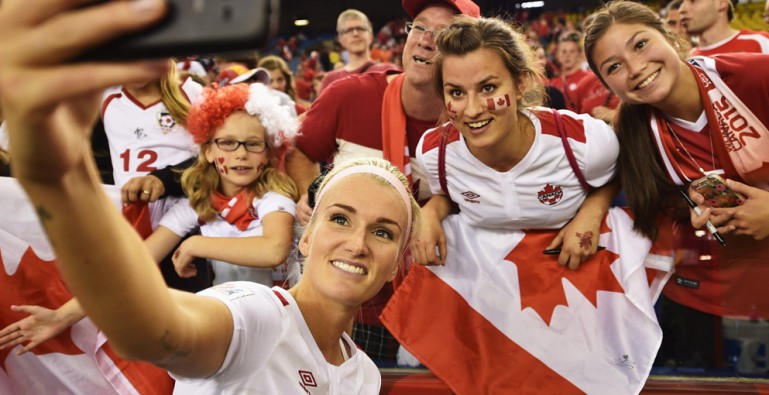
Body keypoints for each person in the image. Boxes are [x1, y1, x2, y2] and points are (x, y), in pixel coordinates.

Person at [0, 5, 422, 394]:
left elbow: (273, 247)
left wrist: (196, 244)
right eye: (340, 219)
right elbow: (154, 323)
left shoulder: (362, 376)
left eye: (383, 231)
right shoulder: (256, 316)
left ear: (395, 266)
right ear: (307, 236)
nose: (357, 242)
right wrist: (58, 179)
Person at [382, 15, 670, 394]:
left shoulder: (582, 141)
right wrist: (432, 213)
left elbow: (620, 176)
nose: (471, 110)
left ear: (520, 83)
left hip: (580, 296)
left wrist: (591, 211)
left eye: (488, 87)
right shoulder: (435, 153)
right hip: (498, 300)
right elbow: (447, 194)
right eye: (455, 92)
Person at [286, 0, 481, 364]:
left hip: (434, 296)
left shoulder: (475, 120)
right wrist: (311, 193)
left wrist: (435, 211)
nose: (425, 41)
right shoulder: (351, 94)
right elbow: (299, 150)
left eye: (443, 36)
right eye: (419, 27)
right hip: (348, 296)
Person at [583, 0, 769, 367]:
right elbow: (653, 198)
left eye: (640, 44)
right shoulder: (633, 130)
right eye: (614, 67)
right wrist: (693, 204)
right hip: (714, 302)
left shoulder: (756, 76)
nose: (636, 68)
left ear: (671, 35)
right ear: (608, 85)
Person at [318, 9, 397, 94]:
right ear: (340, 39)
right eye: (349, 30)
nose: (355, 34)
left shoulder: (388, 71)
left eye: (360, 28)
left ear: (371, 36)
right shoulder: (330, 80)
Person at [679, 0, 769, 56]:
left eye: (693, 1)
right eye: (682, 2)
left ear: (721, 3)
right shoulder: (689, 58)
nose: (681, 9)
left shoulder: (762, 43)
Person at [548, 31, 590, 112]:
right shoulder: (552, 84)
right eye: (564, 52)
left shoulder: (589, 78)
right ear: (558, 55)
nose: (567, 55)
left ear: (579, 54)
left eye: (572, 51)